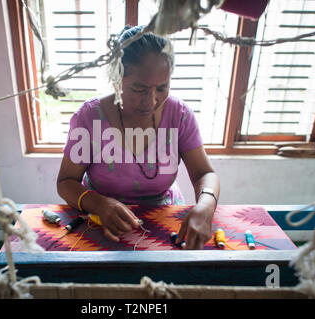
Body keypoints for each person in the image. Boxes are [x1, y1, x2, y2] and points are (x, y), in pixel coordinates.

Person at [57, 25, 220, 250]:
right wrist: (99, 204)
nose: (151, 101)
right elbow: (66, 182)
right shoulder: (91, 118)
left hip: (165, 219)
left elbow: (205, 173)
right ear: (116, 79)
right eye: (139, 89)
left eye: (162, 88)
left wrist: (205, 206)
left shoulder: (179, 115)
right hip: (99, 221)